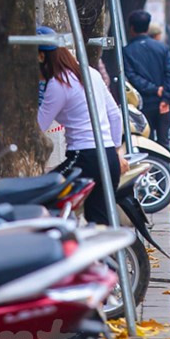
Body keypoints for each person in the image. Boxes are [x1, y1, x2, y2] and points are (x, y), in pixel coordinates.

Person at [36, 28, 125, 225]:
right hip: (108, 155)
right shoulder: (90, 73)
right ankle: (104, 256)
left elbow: (39, 126)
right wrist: (116, 150)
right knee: (101, 220)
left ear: (42, 56)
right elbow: (115, 115)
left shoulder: (58, 83)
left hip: (84, 158)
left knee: (42, 193)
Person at [123, 8, 170, 148]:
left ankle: (152, 169)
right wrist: (166, 98)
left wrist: (154, 89)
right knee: (164, 143)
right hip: (162, 105)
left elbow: (132, 77)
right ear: (147, 28)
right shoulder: (162, 48)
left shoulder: (127, 51)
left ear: (131, 28)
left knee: (145, 144)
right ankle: (166, 169)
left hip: (142, 104)